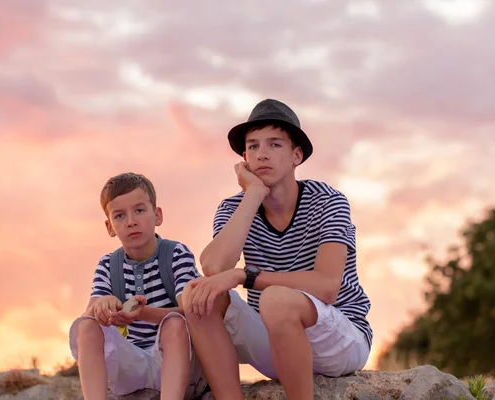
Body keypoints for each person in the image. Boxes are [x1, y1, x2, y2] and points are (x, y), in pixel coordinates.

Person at [182, 99, 373, 400]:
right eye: (254, 146)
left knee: (275, 300)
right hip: (277, 341)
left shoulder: (329, 202)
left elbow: (327, 286)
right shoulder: (234, 207)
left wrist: (247, 276)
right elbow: (215, 267)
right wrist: (254, 194)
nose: (262, 154)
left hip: (339, 338)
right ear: (244, 159)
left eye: (274, 145)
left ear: (297, 155)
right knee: (198, 294)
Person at [69, 172, 207, 400]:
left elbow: (193, 313)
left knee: (174, 323)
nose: (131, 221)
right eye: (120, 215)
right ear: (110, 227)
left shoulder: (176, 254)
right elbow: (90, 317)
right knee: (86, 325)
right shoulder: (108, 264)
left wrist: (145, 314)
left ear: (157, 215)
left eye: (140, 210)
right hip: (134, 368)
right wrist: (102, 305)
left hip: (180, 365)